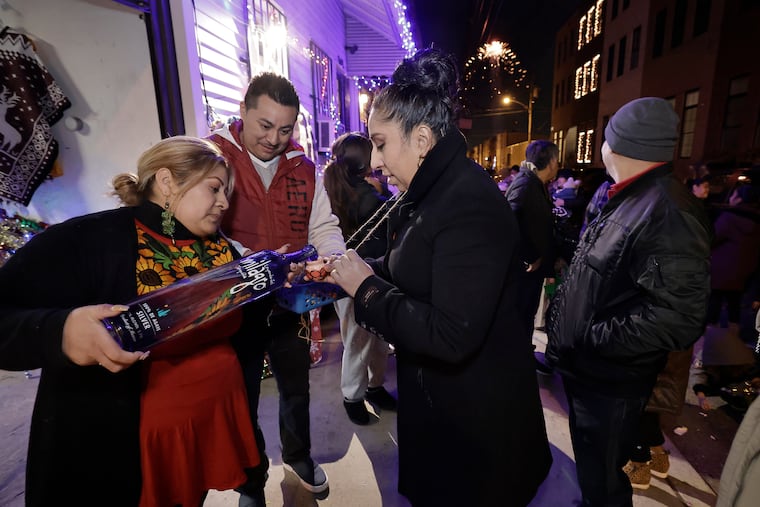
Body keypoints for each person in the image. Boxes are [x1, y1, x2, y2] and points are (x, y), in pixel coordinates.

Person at [325, 48, 552, 506]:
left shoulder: (464, 202)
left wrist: (366, 288)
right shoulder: (431, 192)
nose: (376, 162)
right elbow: (415, 266)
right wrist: (350, 272)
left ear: (422, 139)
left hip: (476, 425)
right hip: (446, 408)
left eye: (382, 143)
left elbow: (451, 334)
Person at [0, 136, 262, 507]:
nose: (224, 203)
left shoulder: (218, 245)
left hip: (204, 429)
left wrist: (275, 280)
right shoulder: (88, 240)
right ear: (168, 181)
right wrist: (60, 331)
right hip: (130, 451)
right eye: (215, 188)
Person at [545, 97, 712, 507]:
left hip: (613, 379)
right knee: (593, 472)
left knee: (604, 482)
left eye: (606, 138)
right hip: (594, 373)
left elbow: (678, 316)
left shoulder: (668, 211)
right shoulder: (628, 196)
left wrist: (593, 336)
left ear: (620, 146)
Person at [208, 72, 345, 503]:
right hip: (237, 305)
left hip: (290, 302)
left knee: (296, 387)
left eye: (285, 129)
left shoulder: (305, 169)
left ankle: (299, 455)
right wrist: (255, 261)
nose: (273, 138)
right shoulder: (213, 159)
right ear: (244, 111)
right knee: (242, 395)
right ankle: (252, 479)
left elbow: (323, 225)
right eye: (264, 125)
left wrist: (332, 258)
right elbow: (203, 229)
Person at [325, 132, 397, 425]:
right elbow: (395, 214)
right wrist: (383, 189)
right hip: (365, 277)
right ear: (365, 164)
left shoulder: (332, 188)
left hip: (343, 277)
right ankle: (354, 396)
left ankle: (371, 388)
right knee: (362, 341)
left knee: (365, 339)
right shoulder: (369, 196)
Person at [504, 140, 559, 374]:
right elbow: (508, 222)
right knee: (519, 316)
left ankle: (523, 357)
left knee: (526, 316)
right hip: (523, 271)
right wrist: (527, 257)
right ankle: (515, 364)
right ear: (552, 161)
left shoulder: (536, 183)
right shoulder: (525, 184)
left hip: (533, 271)